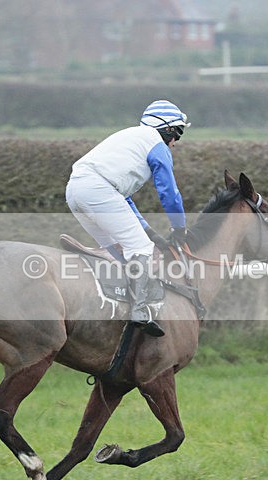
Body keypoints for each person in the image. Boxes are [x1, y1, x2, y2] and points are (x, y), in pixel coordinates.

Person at [65, 100, 190, 337]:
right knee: (141, 248)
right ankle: (139, 311)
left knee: (119, 253)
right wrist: (179, 227)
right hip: (97, 190)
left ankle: (113, 308)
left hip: (75, 191)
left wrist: (151, 232)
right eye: (178, 134)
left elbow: (124, 200)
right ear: (167, 129)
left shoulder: (132, 138)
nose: (175, 143)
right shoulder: (157, 145)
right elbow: (169, 193)